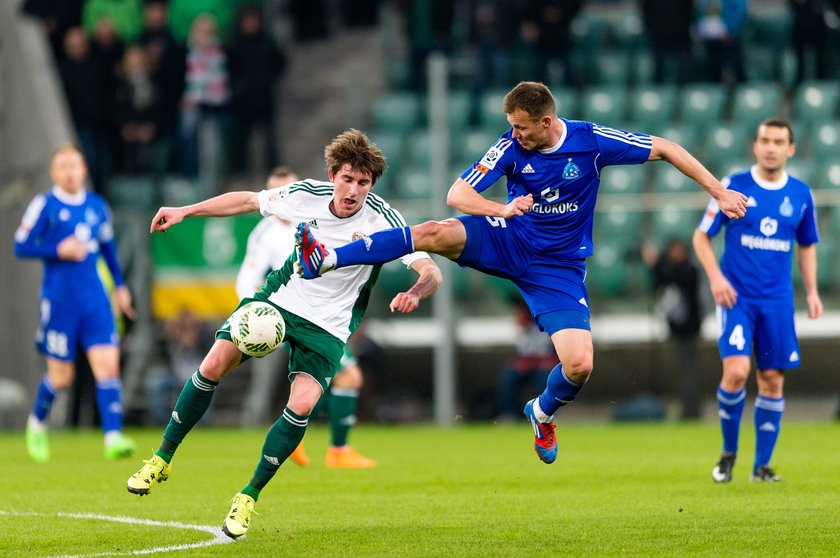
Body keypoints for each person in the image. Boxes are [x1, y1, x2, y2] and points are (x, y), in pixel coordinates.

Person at [296, 81, 748, 465]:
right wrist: (502, 208)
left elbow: (666, 148)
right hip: (508, 237)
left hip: (558, 267)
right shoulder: (510, 146)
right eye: (511, 126)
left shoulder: (590, 142)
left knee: (579, 364)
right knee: (434, 231)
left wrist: (719, 192)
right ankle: (331, 256)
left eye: (521, 127)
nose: (514, 134)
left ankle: (543, 413)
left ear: (546, 122)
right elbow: (458, 193)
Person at [127, 129, 442, 539]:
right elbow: (246, 200)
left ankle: (248, 496)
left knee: (304, 403)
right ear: (333, 175)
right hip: (280, 297)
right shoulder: (306, 194)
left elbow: (431, 269)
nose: (353, 190)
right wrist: (187, 210)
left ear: (372, 184)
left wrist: (415, 291)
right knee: (214, 362)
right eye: (347, 179)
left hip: (329, 324)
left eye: (363, 182)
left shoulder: (384, 219)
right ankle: (161, 458)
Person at [692, 118, 822, 483]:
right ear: (755, 145)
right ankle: (728, 453)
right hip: (737, 298)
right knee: (736, 372)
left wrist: (811, 291)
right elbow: (701, 238)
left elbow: (807, 246)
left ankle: (761, 467)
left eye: (778, 141)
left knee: (772, 381)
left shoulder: (800, 194)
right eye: (765, 139)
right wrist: (716, 278)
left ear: (790, 149)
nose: (770, 147)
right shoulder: (734, 186)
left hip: (777, 301)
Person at [236, 166, 378, 468]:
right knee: (347, 376)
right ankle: (336, 450)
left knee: (324, 383)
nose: (282, 198)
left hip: (323, 316)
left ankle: (299, 439)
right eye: (277, 192)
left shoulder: (314, 216)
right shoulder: (266, 233)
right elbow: (247, 277)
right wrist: (254, 315)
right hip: (290, 315)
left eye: (287, 189)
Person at [14, 145, 137, 462]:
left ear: (83, 170)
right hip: (59, 301)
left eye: (74, 165)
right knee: (61, 377)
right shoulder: (45, 205)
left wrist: (121, 288)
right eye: (62, 166)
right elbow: (21, 245)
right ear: (55, 173)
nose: (69, 172)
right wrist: (58, 250)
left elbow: (108, 250)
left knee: (108, 366)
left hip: (95, 299)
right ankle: (37, 424)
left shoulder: (97, 207)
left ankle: (113, 437)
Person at [642, 237, 704, 419]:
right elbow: (660, 283)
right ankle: (688, 410)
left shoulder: (689, 270)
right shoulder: (680, 270)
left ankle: (691, 412)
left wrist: (657, 263)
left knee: (688, 373)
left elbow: (674, 281)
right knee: (683, 372)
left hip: (689, 330)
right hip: (679, 330)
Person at [495, 296, 557, 421]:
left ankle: (546, 414)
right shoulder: (523, 330)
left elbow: (551, 355)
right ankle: (511, 414)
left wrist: (531, 362)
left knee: (545, 379)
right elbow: (520, 354)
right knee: (508, 378)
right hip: (529, 367)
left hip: (544, 367)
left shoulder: (545, 327)